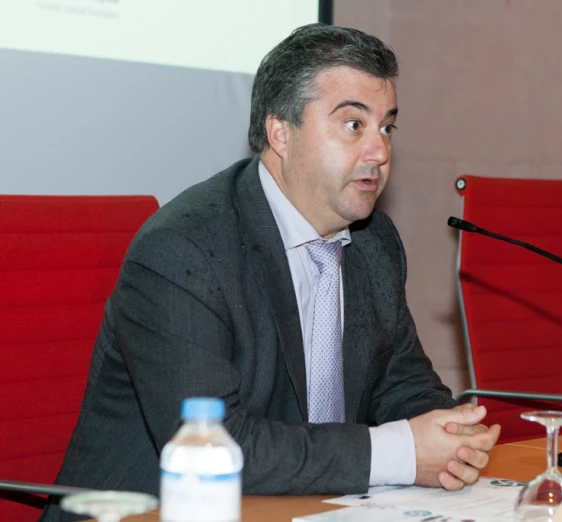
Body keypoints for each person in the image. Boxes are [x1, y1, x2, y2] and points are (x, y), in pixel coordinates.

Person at [40, 23, 501, 521]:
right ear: (280, 132)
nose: (380, 152)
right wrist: (402, 452)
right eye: (353, 125)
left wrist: (453, 432)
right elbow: (217, 449)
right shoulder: (184, 250)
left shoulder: (373, 243)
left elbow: (400, 383)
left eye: (386, 126)